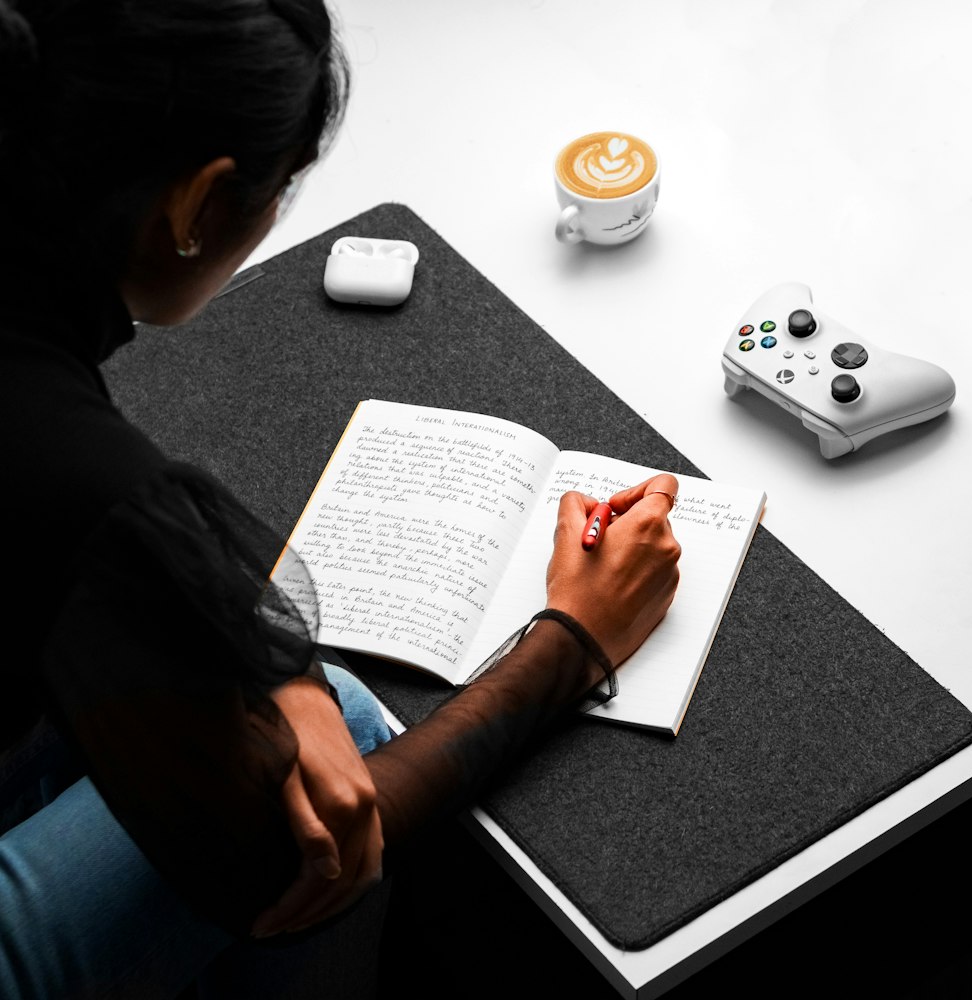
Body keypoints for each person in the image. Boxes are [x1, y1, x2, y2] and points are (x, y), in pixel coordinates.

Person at [0, 1, 682, 997]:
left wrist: (279, 670)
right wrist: (572, 640)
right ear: (197, 207)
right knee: (343, 747)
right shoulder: (72, 474)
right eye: (282, 189)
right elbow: (291, 859)